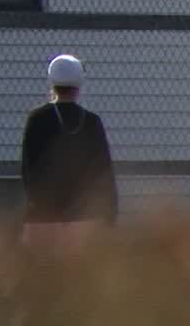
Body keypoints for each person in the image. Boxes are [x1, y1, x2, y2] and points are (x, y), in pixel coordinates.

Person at [19, 55, 118, 250]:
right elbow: (103, 171)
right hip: (84, 217)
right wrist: (109, 214)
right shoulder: (91, 122)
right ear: (79, 83)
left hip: (43, 216)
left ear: (51, 82)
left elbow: (27, 170)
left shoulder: (37, 119)